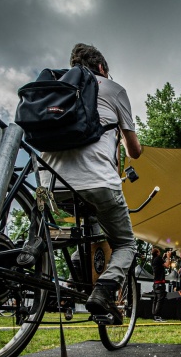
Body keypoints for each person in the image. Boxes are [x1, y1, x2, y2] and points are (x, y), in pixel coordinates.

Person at [39, 43, 142, 324]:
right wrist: (120, 132)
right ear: (100, 68)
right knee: (125, 244)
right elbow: (134, 151)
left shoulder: (55, 86)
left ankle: (69, 284)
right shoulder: (113, 89)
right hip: (97, 182)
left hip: (51, 184)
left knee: (83, 231)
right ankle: (104, 290)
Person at [151, 247, 171, 322]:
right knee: (160, 299)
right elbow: (167, 265)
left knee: (155, 299)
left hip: (155, 282)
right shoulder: (158, 259)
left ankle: (154, 315)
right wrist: (168, 257)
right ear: (157, 253)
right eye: (159, 252)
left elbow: (160, 263)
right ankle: (158, 316)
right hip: (160, 282)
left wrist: (163, 257)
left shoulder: (153, 260)